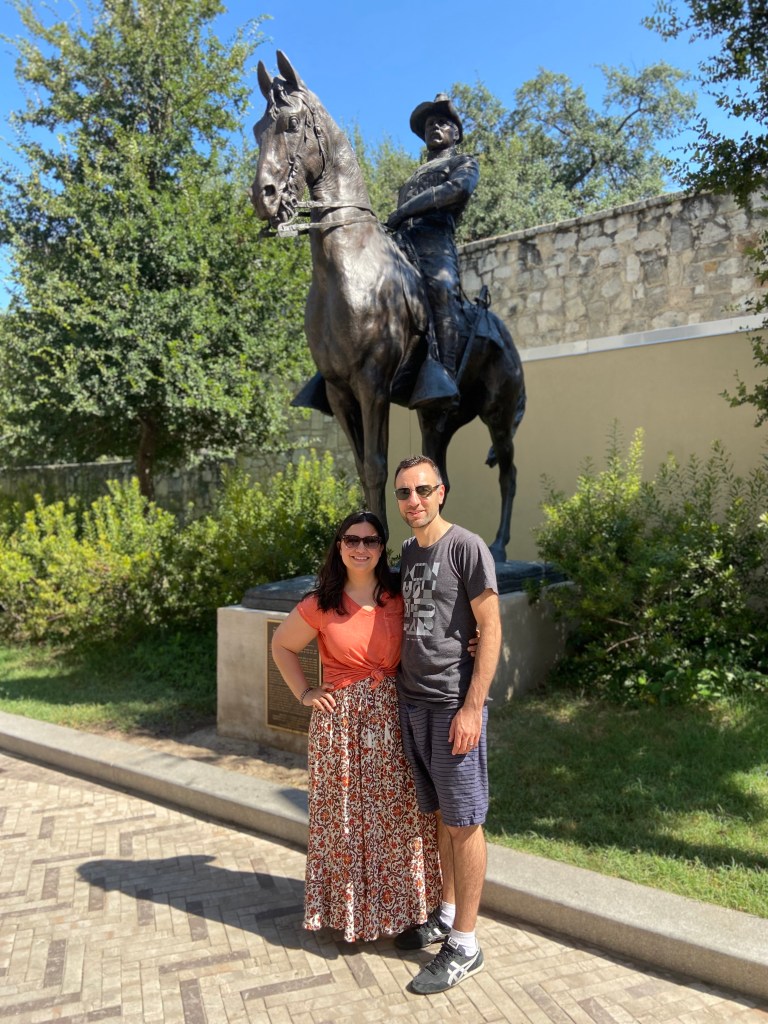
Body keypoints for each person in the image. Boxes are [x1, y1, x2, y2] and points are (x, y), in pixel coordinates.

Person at [270, 510, 441, 943]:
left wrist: (472, 639)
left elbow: (439, 627)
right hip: (341, 727)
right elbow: (282, 646)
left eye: (370, 541)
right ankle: (351, 915)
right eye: (352, 539)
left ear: (382, 548)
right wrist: (304, 693)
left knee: (399, 817)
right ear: (339, 545)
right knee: (345, 821)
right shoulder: (321, 602)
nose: (360, 548)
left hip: (394, 719)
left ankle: (406, 910)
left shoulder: (399, 595)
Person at [391, 454, 502, 995]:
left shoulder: (467, 547)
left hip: (452, 706)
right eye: (404, 493)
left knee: (465, 822)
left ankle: (465, 945)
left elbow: (491, 628)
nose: (413, 500)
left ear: (442, 492)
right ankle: (447, 912)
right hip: (413, 704)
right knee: (441, 816)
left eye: (422, 490)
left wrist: (472, 707)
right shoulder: (409, 551)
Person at [386, 93, 480, 408]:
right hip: (401, 242)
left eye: (442, 123)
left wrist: (404, 211)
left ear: (456, 132)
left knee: (442, 288)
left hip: (434, 242)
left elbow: (457, 190)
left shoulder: (463, 163)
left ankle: (445, 375)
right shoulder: (412, 177)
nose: (435, 128)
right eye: (430, 125)